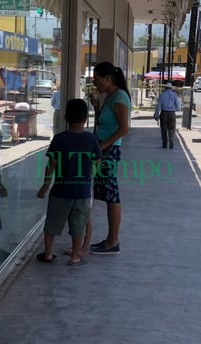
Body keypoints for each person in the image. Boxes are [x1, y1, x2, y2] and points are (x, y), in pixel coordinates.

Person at [36, 98, 101, 266]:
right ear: (86, 118)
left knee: (52, 223)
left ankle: (48, 254)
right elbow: (97, 163)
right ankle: (75, 256)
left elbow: (51, 165)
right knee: (78, 225)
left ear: (65, 118)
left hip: (60, 191)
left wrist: (45, 185)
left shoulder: (59, 139)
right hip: (82, 192)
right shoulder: (92, 140)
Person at [88, 61, 131, 255]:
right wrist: (97, 106)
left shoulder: (120, 97)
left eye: (97, 80)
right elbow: (104, 123)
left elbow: (124, 128)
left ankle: (112, 241)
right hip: (102, 150)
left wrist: (103, 145)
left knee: (112, 195)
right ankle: (109, 240)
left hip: (108, 152)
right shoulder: (111, 96)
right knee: (106, 195)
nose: (95, 83)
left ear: (108, 78)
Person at [153, 82, 181, 149]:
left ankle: (165, 143)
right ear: (171, 88)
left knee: (164, 129)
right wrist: (175, 108)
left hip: (164, 113)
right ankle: (171, 140)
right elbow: (178, 107)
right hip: (172, 114)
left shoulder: (162, 95)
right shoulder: (174, 95)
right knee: (172, 129)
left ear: (165, 88)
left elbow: (159, 105)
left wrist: (156, 113)